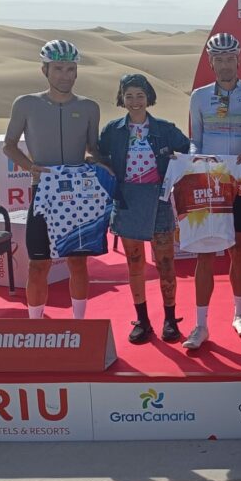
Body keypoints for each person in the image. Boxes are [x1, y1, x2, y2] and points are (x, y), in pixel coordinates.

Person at [2, 39, 103, 319]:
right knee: (38, 264)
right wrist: (30, 167)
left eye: (71, 69)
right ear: (44, 70)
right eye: (58, 68)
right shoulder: (26, 104)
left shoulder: (89, 107)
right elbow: (9, 145)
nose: (65, 75)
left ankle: (80, 324)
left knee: (78, 264)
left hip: (78, 194)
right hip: (43, 192)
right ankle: (36, 327)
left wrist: (96, 161)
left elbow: (93, 148)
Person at [185, 32, 241, 349]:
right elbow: (195, 139)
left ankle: (240, 315)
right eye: (218, 60)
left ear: (239, 60)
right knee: (204, 252)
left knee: (238, 248)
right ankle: (200, 325)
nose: (224, 65)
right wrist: (194, 159)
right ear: (210, 62)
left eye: (229, 59)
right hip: (210, 182)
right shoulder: (199, 96)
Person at [98, 74, 191, 344]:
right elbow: (100, 153)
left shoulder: (165, 129)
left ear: (148, 97)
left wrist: (176, 163)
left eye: (140, 95)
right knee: (135, 263)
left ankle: (170, 319)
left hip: (159, 200)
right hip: (127, 201)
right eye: (129, 96)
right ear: (122, 99)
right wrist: (106, 170)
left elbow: (188, 149)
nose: (135, 101)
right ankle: (142, 320)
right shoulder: (112, 130)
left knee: (165, 264)